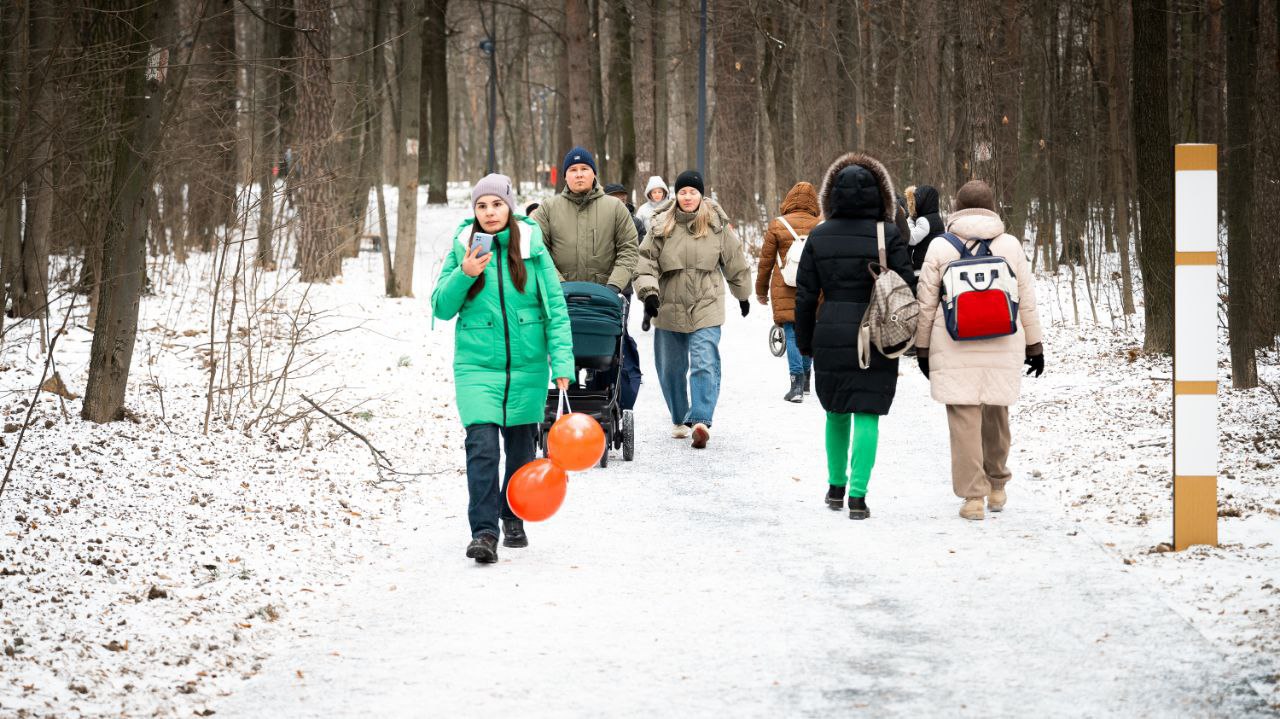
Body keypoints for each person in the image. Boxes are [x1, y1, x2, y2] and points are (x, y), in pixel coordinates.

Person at [431, 174, 575, 564]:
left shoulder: (531, 247)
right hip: (477, 367)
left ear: (508, 207)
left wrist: (562, 363)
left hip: (528, 369)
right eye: (482, 206)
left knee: (520, 451)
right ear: (474, 211)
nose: (490, 212)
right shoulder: (463, 247)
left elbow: (555, 311)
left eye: (496, 204)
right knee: (481, 448)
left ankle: (513, 515)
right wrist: (465, 273)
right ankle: (483, 532)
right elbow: (441, 307)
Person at [913, 179, 1044, 521]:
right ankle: (997, 487)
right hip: (1003, 341)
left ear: (957, 208)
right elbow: (1026, 299)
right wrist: (1034, 345)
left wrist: (922, 349)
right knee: (997, 413)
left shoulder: (940, 246)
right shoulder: (1010, 245)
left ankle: (973, 498)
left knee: (964, 419)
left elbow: (926, 303)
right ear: (992, 208)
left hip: (953, 342)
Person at [794, 153, 915, 520]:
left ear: (831, 195)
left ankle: (835, 487)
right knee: (867, 411)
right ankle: (858, 498)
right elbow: (907, 287)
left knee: (835, 410)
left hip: (831, 329)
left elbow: (805, 294)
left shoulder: (819, 235)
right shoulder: (887, 234)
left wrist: (805, 340)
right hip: (876, 332)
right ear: (880, 194)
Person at [635, 170, 752, 449]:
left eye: (693, 192)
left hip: (706, 303)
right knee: (671, 368)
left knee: (704, 361)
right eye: (683, 192)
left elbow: (734, 260)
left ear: (701, 195)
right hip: (668, 305)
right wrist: (649, 294)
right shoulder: (660, 225)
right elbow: (645, 263)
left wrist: (743, 294)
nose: (688, 197)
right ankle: (679, 417)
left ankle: (700, 420)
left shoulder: (716, 225)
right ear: (676, 195)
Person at [532, 147, 641, 409]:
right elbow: (538, 249)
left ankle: (605, 402)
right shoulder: (548, 209)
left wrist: (613, 286)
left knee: (609, 354)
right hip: (561, 299)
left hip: (605, 299)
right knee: (563, 352)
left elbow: (628, 249)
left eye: (584, 169)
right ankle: (565, 402)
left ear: (594, 174)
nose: (579, 174)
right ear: (565, 176)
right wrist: (557, 284)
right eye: (573, 170)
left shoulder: (614, 209)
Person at [755, 181, 821, 403]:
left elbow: (765, 262)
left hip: (785, 285)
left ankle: (796, 385)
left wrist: (761, 291)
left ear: (789, 200)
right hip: (813, 286)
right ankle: (807, 380)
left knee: (792, 332)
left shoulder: (778, 224)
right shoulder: (821, 225)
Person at [905, 184, 944, 271]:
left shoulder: (924, 220)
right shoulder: (935, 217)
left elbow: (911, 239)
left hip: (922, 264)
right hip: (933, 260)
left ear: (923, 202)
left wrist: (910, 220)